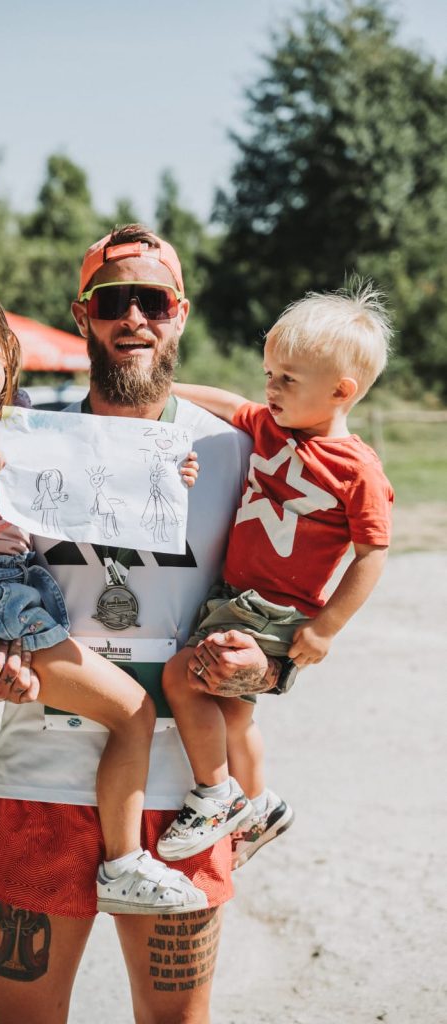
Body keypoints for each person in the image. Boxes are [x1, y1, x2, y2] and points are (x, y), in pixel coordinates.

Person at [0, 226, 278, 1024]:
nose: (133, 316)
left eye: (153, 301)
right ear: (83, 316)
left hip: (183, 796)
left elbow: (280, 610)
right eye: (112, 300)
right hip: (40, 777)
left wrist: (264, 667)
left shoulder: (236, 452)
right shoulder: (24, 443)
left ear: (179, 314)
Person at [0, 274, 206, 917]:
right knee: (134, 711)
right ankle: (123, 865)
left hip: (16, 587)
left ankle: (120, 858)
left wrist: (162, 464)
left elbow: (92, 470)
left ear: (6, 350)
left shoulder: (19, 418)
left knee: (101, 704)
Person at [158, 284, 394, 870]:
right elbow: (227, 401)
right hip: (233, 596)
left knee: (184, 678)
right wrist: (163, 390)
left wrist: (326, 628)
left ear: (341, 391)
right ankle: (261, 805)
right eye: (269, 374)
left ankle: (216, 795)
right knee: (234, 713)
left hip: (276, 611)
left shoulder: (358, 471)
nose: (271, 388)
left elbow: (372, 554)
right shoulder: (269, 426)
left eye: (288, 379)